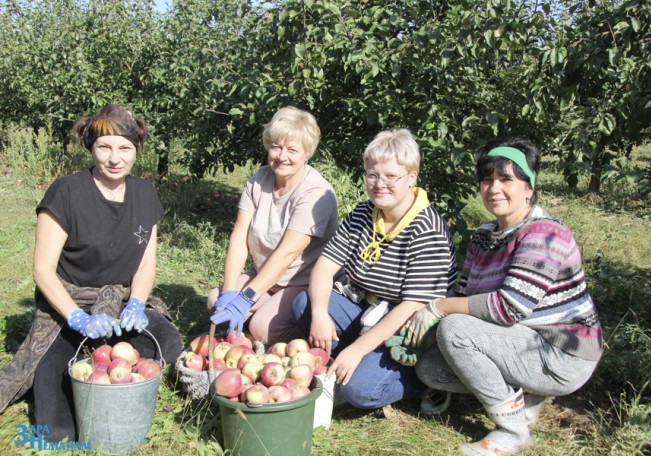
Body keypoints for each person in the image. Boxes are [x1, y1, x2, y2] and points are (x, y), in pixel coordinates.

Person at [403, 137, 603, 456]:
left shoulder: (544, 234)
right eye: (487, 180)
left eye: (506, 179)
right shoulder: (484, 235)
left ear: (529, 187)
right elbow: (467, 293)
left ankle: (513, 430)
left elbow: (508, 307)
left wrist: (437, 308)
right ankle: (525, 394)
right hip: (518, 343)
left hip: (561, 353)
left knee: (453, 329)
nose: (494, 188)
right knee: (430, 368)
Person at [0, 105, 182, 442]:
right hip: (73, 303)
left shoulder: (144, 194)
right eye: (104, 147)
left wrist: (137, 304)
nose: (115, 158)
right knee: (56, 429)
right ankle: (80, 354)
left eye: (125, 148)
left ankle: (106, 358)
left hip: (120, 300)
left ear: (136, 150)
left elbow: (145, 264)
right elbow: (43, 270)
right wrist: (76, 319)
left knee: (168, 341)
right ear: (90, 147)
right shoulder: (67, 192)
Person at [292, 128, 458, 409]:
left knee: (359, 391)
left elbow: (412, 306)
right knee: (304, 304)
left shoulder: (428, 230)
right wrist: (320, 314)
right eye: (373, 175)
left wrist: (358, 348)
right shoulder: (363, 213)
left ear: (412, 177)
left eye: (391, 176)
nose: (380, 183)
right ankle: (352, 359)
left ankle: (422, 380)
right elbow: (324, 267)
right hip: (367, 309)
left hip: (408, 330)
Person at [208, 106, 338, 344]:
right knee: (215, 300)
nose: (282, 156)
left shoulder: (316, 193)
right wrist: (229, 291)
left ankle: (295, 335)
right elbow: (239, 236)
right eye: (276, 146)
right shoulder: (259, 179)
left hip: (299, 282)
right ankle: (245, 332)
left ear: (307, 152)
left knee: (262, 328)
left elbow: (288, 253)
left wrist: (246, 298)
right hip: (263, 274)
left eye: (292, 150)